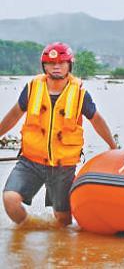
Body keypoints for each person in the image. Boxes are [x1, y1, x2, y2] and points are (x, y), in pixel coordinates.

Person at [0, 42, 117, 227]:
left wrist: (113, 147)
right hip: (30, 162)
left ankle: (59, 249)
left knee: (63, 220)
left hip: (63, 168)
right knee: (10, 200)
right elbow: (14, 114)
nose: (56, 67)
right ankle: (28, 229)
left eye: (61, 63)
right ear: (44, 66)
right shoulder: (32, 88)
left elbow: (97, 120)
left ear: (69, 65)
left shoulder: (79, 94)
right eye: (51, 63)